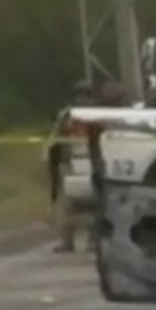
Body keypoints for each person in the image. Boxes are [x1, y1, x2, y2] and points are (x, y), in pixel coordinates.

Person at [49, 80, 101, 253]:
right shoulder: (69, 115)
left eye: (85, 95)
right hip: (75, 161)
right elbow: (56, 138)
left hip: (87, 161)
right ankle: (71, 241)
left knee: (89, 203)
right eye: (80, 95)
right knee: (72, 204)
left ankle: (85, 240)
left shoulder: (93, 115)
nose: (82, 99)